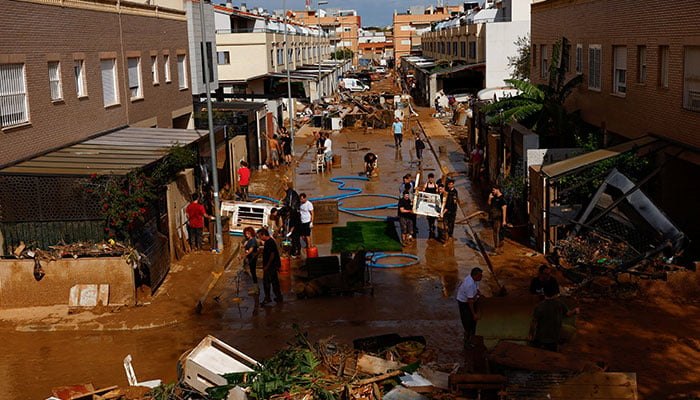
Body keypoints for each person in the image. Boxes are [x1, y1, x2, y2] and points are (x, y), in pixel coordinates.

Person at [529, 285, 580, 351]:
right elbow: (568, 314)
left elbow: (534, 322)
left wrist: (530, 334)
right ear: (555, 294)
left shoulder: (539, 306)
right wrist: (575, 310)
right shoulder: (560, 304)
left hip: (540, 338)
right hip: (553, 339)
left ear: (545, 294)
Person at [456, 267, 483, 344]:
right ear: (474, 276)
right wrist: (474, 314)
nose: (481, 277)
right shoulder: (470, 285)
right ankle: (467, 337)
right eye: (480, 276)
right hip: (464, 302)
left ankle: (471, 333)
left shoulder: (475, 280)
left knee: (472, 321)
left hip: (470, 298)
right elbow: (470, 301)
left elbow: (476, 289)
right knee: (467, 320)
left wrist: (479, 293)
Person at [257, 228, 283, 305]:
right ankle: (278, 297)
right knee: (274, 282)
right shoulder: (270, 242)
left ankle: (268, 298)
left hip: (271, 266)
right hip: (273, 265)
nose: (259, 238)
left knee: (267, 282)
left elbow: (272, 255)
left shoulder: (269, 242)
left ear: (263, 235)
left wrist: (267, 266)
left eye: (260, 236)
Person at [488, 185, 508, 251]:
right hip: (493, 218)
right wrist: (489, 198)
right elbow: (489, 204)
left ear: (497, 190)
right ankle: (498, 248)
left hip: (499, 218)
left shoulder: (502, 199)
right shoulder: (494, 198)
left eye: (493, 190)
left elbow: (504, 209)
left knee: (497, 233)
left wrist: (504, 220)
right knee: (496, 232)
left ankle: (497, 248)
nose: (492, 192)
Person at [440, 179, 459, 246]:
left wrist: (444, 211)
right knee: (445, 225)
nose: (450, 185)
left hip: (451, 211)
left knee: (450, 225)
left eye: (451, 184)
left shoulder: (454, 192)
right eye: (449, 184)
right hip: (446, 211)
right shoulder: (446, 191)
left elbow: (450, 203)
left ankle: (449, 238)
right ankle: (447, 238)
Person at [241, 227, 259, 295]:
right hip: (250, 257)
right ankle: (255, 287)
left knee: (253, 272)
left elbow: (251, 250)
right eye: (246, 233)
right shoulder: (248, 240)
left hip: (253, 257)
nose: (247, 234)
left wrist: (244, 255)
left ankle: (256, 288)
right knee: (252, 271)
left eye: (248, 233)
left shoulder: (253, 240)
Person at [421, 173, 439, 239]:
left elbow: (437, 193)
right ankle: (430, 227)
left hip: (433, 203)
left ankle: (433, 226)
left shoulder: (436, 185)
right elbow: (423, 193)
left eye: (432, 178)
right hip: (428, 203)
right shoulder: (426, 185)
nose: (431, 179)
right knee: (428, 217)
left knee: (433, 216)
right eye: (430, 178)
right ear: (428, 178)